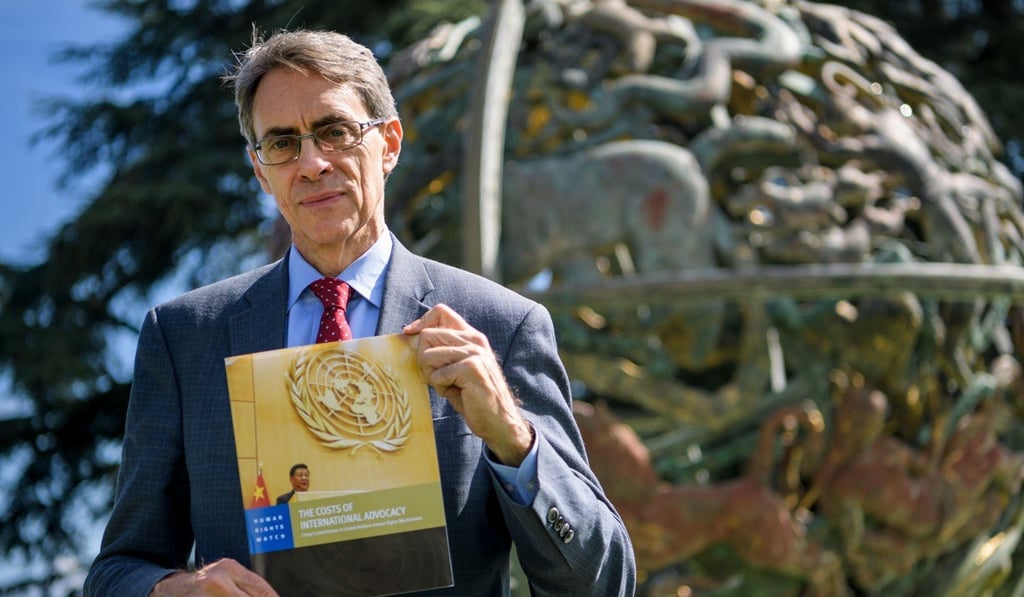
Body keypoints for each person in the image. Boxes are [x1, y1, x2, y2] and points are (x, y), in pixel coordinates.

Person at [84, 28, 636, 596]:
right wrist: (173, 591)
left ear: (390, 143)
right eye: (281, 144)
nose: (312, 163)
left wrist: (514, 440)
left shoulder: (501, 325)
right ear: (260, 169)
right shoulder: (186, 337)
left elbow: (604, 581)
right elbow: (117, 570)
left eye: (335, 132)